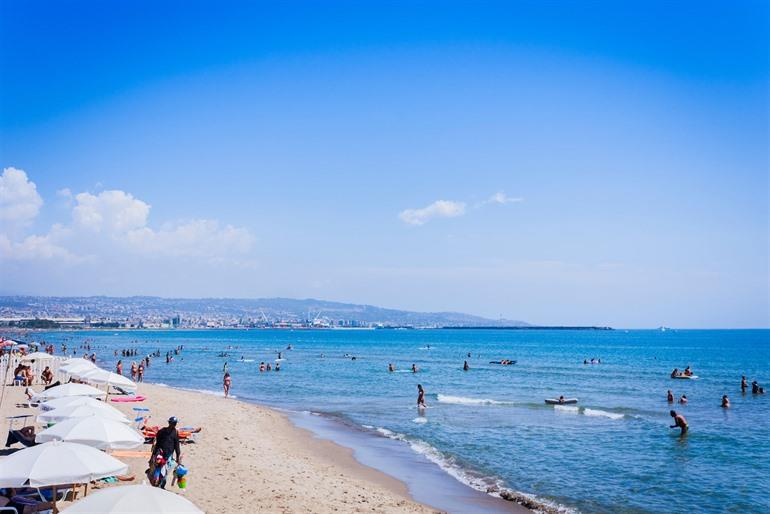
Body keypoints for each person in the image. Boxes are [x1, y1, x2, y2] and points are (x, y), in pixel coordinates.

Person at [150, 417, 182, 488]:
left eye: (175, 423)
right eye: (173, 423)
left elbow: (177, 445)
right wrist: (155, 452)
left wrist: (177, 456)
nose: (174, 425)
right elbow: (157, 442)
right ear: (169, 423)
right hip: (160, 453)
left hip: (168, 454)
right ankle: (157, 483)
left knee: (165, 470)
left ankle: (161, 484)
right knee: (159, 468)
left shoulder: (175, 432)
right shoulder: (162, 431)